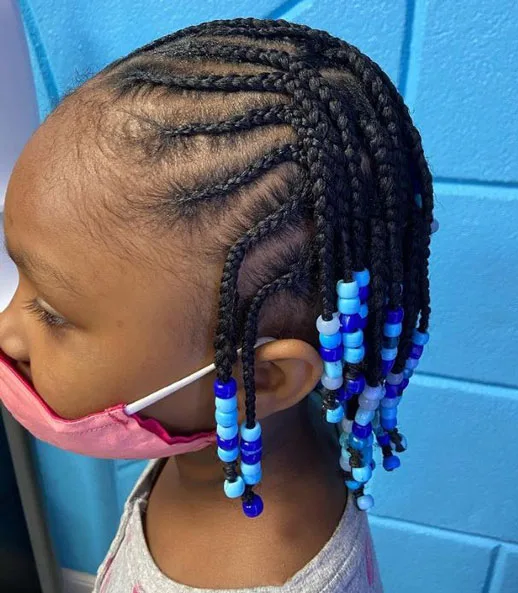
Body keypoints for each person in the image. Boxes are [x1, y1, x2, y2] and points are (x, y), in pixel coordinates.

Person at [0, 17, 437, 593]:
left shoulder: (267, 576)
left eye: (53, 314)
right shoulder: (230, 438)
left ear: (264, 376)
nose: (7, 328)